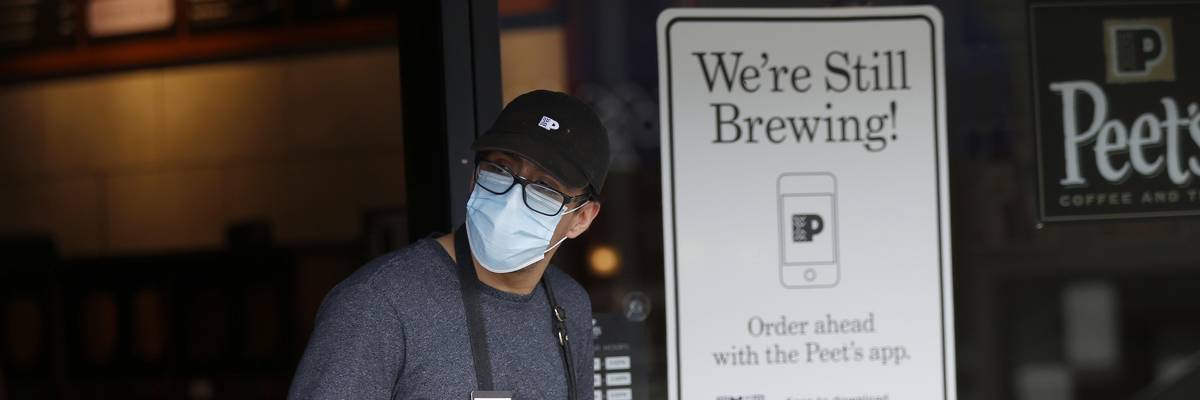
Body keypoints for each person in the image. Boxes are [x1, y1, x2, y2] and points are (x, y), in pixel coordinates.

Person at [289, 90, 608, 400]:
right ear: (474, 178)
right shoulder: (378, 303)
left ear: (582, 218)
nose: (513, 197)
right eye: (500, 168)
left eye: (545, 188)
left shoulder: (568, 304)